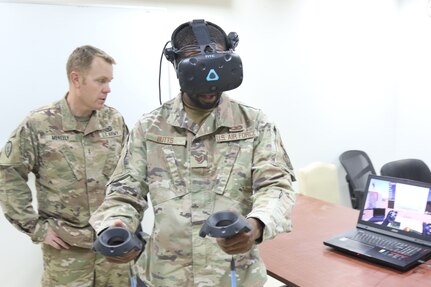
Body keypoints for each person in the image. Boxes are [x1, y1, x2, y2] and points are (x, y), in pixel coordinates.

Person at [89, 20, 296, 287]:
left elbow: (276, 187)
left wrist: (256, 225)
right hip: (167, 277)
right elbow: (125, 192)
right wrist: (114, 226)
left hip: (233, 275)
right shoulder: (150, 127)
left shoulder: (254, 124)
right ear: (177, 67)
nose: (210, 88)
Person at [0, 45, 131, 286]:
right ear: (76, 79)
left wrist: (129, 219)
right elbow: (7, 174)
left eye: (109, 81)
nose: (108, 89)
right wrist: (35, 228)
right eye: (101, 80)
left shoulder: (114, 121)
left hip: (112, 244)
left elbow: (130, 175)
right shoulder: (39, 124)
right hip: (67, 252)